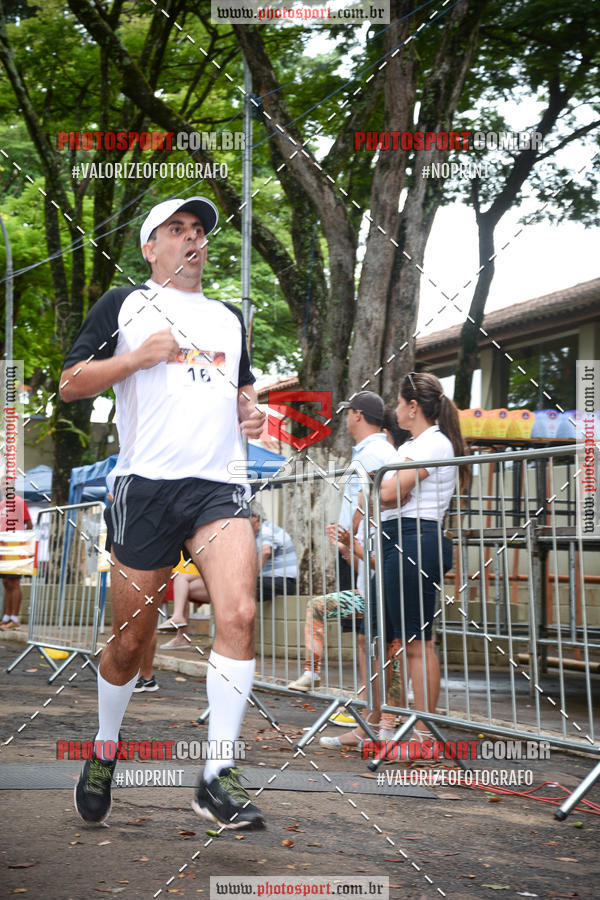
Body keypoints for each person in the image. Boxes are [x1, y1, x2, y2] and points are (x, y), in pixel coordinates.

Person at [60, 196, 266, 829]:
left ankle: (217, 774)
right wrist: (135, 358)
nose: (191, 238)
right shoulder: (123, 306)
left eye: (199, 229)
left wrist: (249, 411)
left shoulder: (229, 318)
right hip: (145, 487)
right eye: (176, 230)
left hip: (218, 486)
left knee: (239, 611)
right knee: (130, 642)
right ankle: (104, 749)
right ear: (152, 248)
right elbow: (69, 383)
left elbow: (243, 390)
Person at [325, 372, 465, 751]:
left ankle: (424, 735)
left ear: (413, 407)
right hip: (396, 539)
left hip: (415, 539)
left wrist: (382, 489)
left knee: (417, 642)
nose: (396, 410)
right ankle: (374, 723)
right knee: (378, 637)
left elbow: (385, 490)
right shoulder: (415, 444)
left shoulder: (433, 443)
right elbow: (383, 493)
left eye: (401, 404)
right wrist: (383, 491)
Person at [288, 410, 408, 695]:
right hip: (365, 590)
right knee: (336, 619)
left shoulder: (376, 457)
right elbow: (359, 565)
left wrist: (350, 535)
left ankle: (383, 707)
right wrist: (346, 545)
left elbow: (381, 564)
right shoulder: (374, 458)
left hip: (378, 592)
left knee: (383, 642)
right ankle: (320, 676)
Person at [0, 480, 33, 630]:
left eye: (8, 484)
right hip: (3, 548)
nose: (5, 487)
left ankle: (14, 618)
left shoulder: (19, 502)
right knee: (6, 582)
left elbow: (29, 524)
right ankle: (6, 617)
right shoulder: (2, 504)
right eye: (2, 484)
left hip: (16, 547)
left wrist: (23, 544)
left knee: (14, 583)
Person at [251, 503, 297, 601]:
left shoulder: (266, 530)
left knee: (241, 586)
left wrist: (250, 577)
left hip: (282, 582)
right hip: (271, 581)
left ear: (255, 517)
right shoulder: (256, 534)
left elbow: (265, 551)